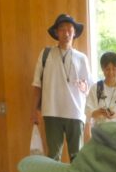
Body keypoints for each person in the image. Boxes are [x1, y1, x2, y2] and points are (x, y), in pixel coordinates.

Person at [32, 13, 92, 161]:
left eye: (70, 30)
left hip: (76, 112)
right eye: (62, 29)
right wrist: (33, 111)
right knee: (53, 156)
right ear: (56, 32)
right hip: (51, 111)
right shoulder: (46, 54)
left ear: (74, 33)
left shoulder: (81, 58)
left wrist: (84, 86)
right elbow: (36, 84)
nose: (66, 33)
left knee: (77, 157)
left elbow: (89, 88)